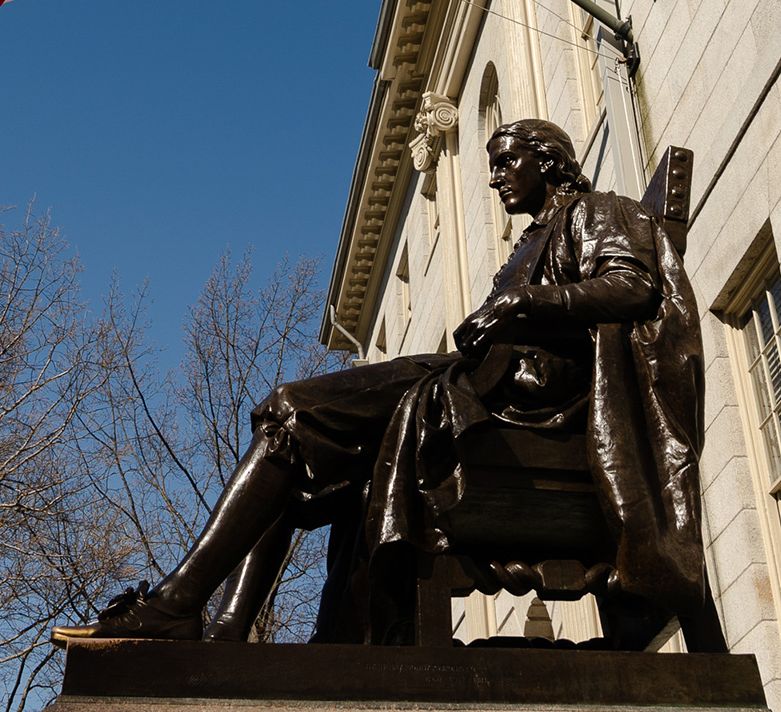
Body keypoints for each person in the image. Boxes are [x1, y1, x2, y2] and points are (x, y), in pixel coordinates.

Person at [64, 118, 711, 647]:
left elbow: (634, 285)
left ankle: (181, 605)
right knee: (304, 454)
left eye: (507, 161)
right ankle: (224, 625)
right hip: (484, 389)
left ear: (550, 161)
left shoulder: (598, 210)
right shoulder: (531, 241)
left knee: (292, 412)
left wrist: (518, 307)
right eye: (492, 164)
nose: (495, 177)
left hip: (528, 405)